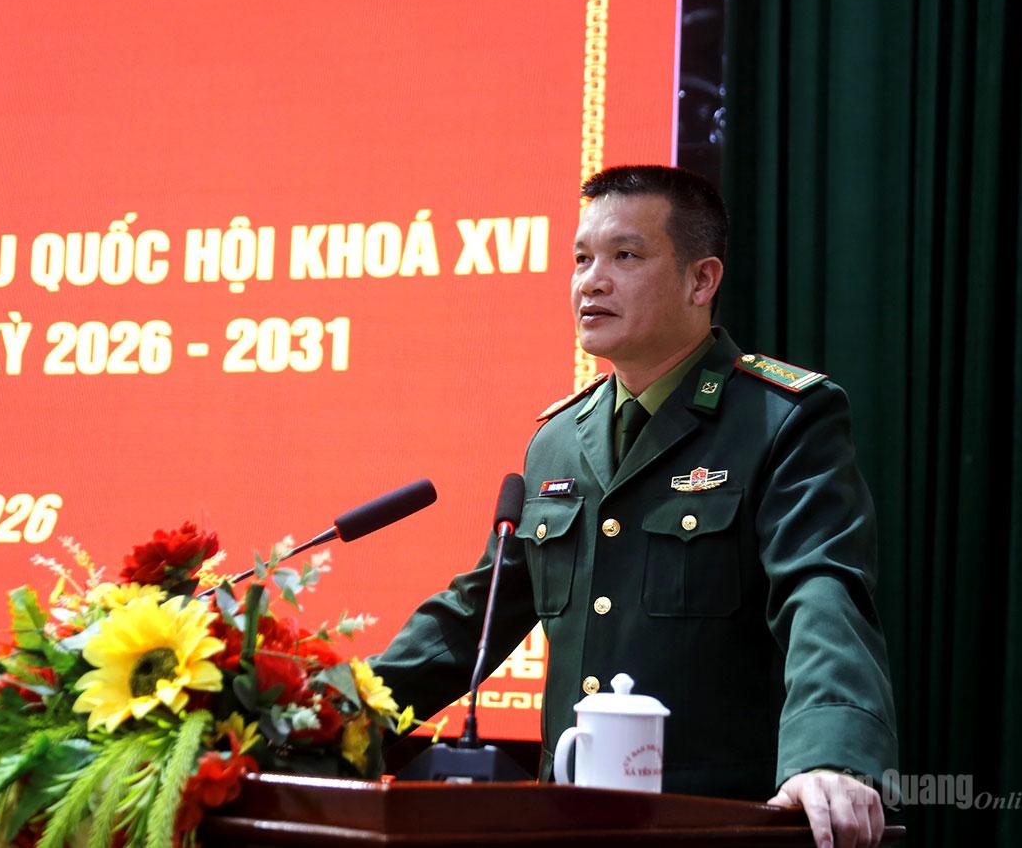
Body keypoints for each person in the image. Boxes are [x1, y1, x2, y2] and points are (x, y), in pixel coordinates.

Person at [373, 165, 897, 848]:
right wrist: (328, 718)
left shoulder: (781, 419)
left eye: (625, 255)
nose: (592, 281)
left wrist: (830, 755)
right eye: (581, 259)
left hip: (714, 824)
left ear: (700, 280)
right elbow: (475, 614)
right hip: (564, 825)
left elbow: (821, 592)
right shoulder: (559, 440)